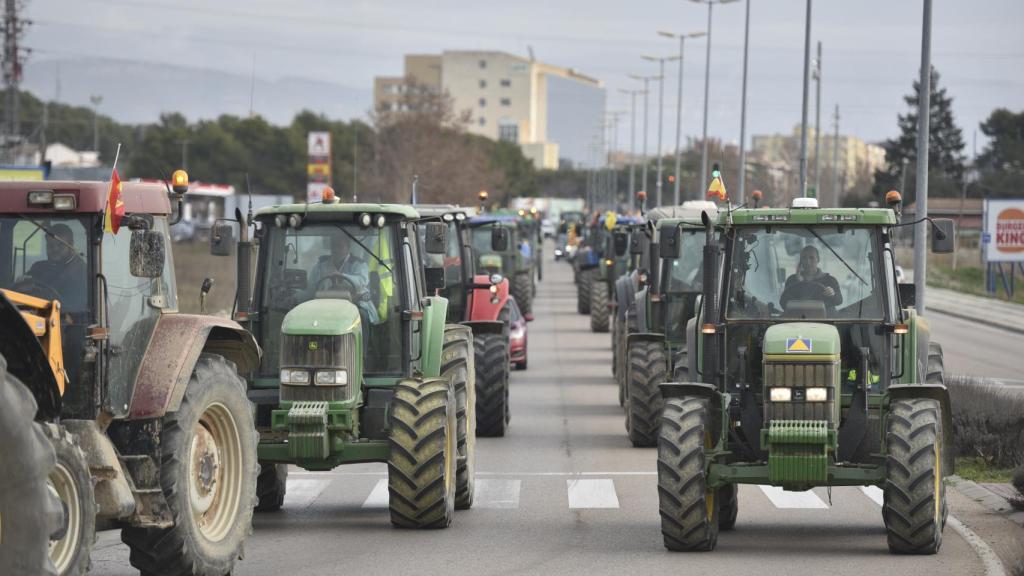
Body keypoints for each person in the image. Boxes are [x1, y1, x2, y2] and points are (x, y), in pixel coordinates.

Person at [308, 231, 379, 324]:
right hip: (325, 304)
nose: (336, 250)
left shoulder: (359, 264)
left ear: (348, 248)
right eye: (334, 246)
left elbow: (361, 282)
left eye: (340, 247)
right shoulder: (321, 265)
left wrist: (342, 276)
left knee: (361, 316)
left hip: (356, 303)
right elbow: (311, 286)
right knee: (309, 316)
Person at [23, 223, 87, 310]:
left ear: (71, 245)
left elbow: (80, 305)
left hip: (70, 316)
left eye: (60, 245)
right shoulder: (38, 267)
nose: (55, 249)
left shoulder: (81, 271)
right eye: (50, 245)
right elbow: (23, 290)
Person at [779, 245, 842, 310]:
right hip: (798, 315)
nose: (808, 262)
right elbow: (783, 303)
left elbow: (839, 300)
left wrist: (833, 294)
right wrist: (799, 281)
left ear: (818, 259)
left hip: (825, 316)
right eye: (804, 258)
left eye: (811, 258)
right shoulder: (792, 280)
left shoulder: (830, 280)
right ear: (801, 261)